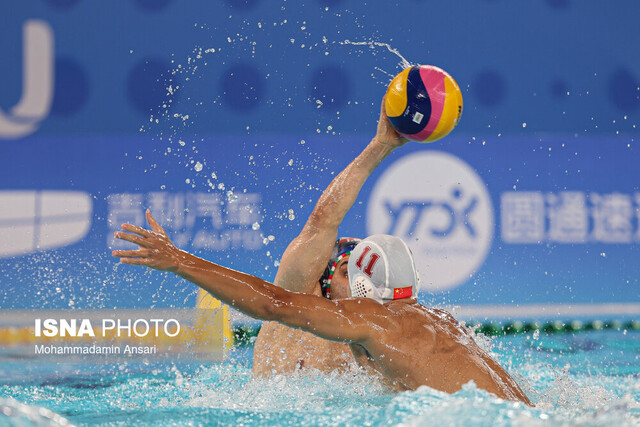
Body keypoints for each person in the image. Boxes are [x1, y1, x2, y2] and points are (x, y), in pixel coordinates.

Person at [112, 222, 531, 404]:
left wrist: (179, 261)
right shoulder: (443, 321)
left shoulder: (373, 320)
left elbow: (270, 303)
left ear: (364, 286)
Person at [250, 98, 407, 376]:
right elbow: (322, 221)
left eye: (367, 276)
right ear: (321, 285)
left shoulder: (378, 343)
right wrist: (380, 146)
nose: (362, 284)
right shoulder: (289, 310)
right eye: (348, 273)